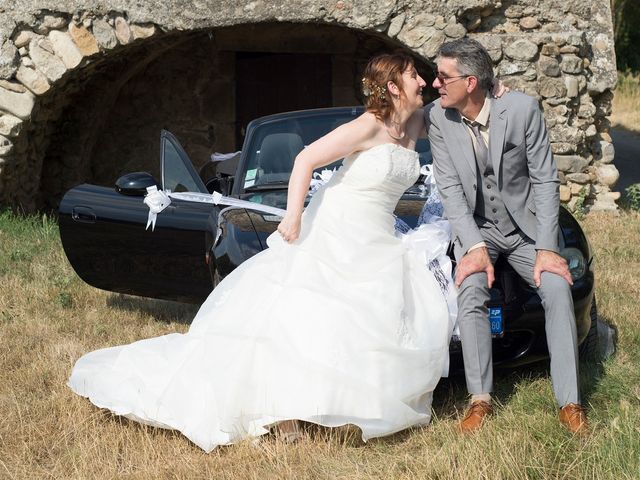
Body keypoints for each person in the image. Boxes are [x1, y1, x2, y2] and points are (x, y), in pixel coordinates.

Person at [68, 53, 455, 452]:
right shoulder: (367, 126)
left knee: (370, 311)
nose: (423, 81)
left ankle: (350, 401)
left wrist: (490, 94)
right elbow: (305, 159)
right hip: (338, 225)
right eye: (413, 76)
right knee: (305, 310)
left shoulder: (413, 123)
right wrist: (293, 217)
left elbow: (452, 110)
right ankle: (283, 410)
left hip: (378, 232)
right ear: (392, 86)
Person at [425, 38, 587, 434]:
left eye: (444, 76)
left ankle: (570, 403)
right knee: (470, 287)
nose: (435, 83)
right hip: (478, 228)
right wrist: (475, 247)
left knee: (557, 286)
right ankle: (480, 399)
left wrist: (548, 248)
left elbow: (546, 181)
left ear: (472, 81)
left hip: (525, 229)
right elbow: (450, 189)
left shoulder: (522, 109)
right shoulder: (438, 119)